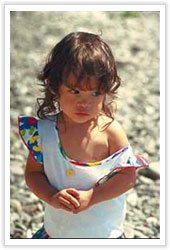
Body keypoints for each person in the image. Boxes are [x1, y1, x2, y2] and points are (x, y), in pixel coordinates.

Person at [18, 31, 148, 239]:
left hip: (104, 235)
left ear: (106, 92)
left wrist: (92, 197)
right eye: (75, 91)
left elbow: (127, 177)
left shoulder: (110, 132)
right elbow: (33, 174)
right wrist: (51, 196)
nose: (84, 103)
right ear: (55, 86)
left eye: (95, 93)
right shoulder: (44, 133)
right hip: (57, 233)